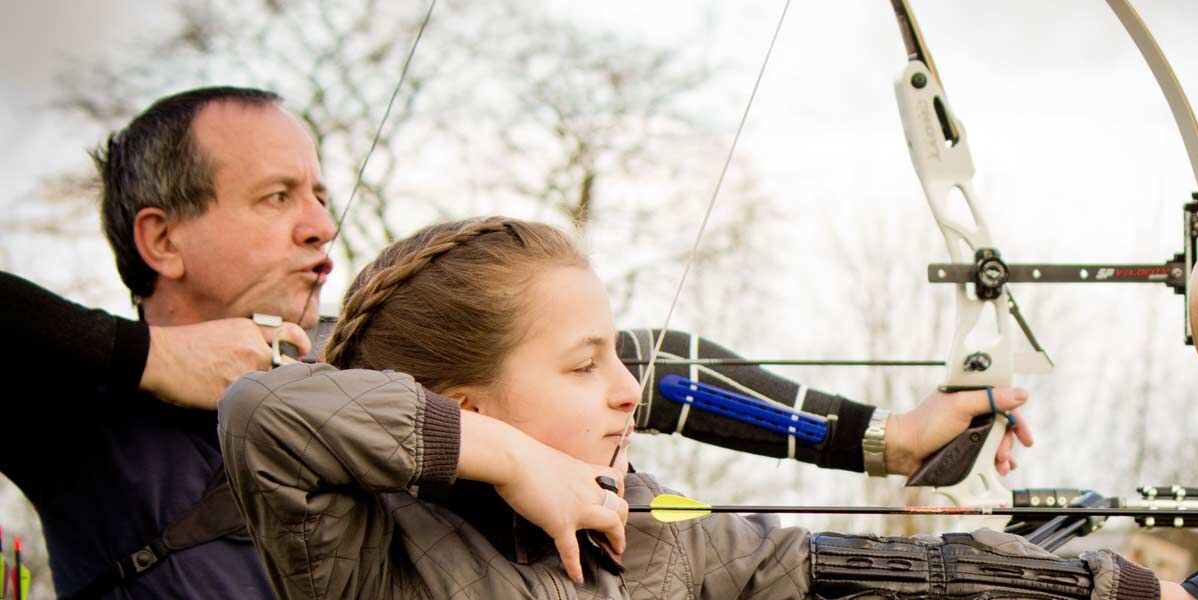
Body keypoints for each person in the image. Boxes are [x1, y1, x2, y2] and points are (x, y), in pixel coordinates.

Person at [2, 84, 1026, 597]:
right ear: (161, 238)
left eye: (320, 192)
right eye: (276, 197)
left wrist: (882, 443)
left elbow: (633, 367)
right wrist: (149, 362)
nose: (321, 224)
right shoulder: (75, 405)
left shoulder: (363, 381)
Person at [217, 217, 1198, 599]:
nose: (629, 393)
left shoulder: (654, 535)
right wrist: (506, 459)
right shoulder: (370, 558)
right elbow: (266, 414)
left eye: (622, 360)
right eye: (586, 367)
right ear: (465, 406)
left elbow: (886, 576)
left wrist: (1149, 590)